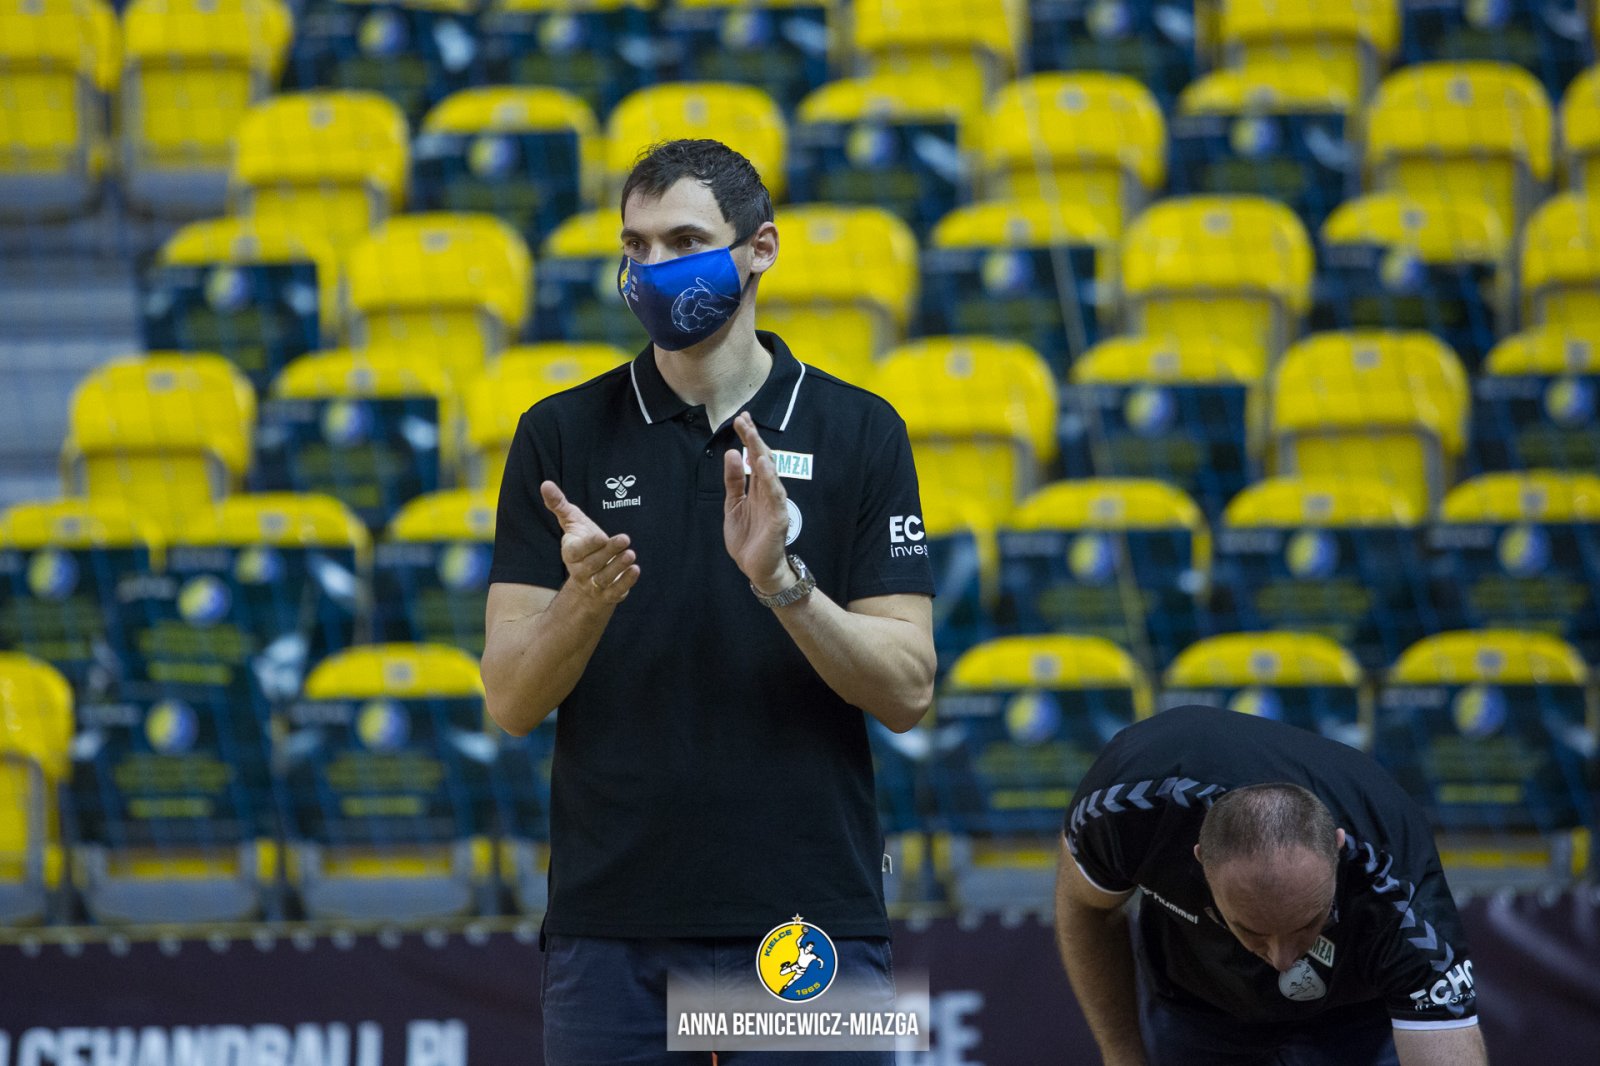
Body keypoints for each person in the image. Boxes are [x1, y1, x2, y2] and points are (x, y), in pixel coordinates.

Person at [481, 138, 936, 1065]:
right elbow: (510, 700)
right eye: (635, 245)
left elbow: (909, 690)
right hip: (611, 928)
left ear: (759, 248)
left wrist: (783, 585)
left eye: (683, 241)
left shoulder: (861, 430)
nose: (652, 269)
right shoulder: (558, 435)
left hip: (808, 923)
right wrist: (587, 600)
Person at [1055, 705, 1488, 1066]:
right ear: (1201, 860)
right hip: (1198, 1008)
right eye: (1251, 929)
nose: (1283, 960)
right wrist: (1122, 1056)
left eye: (1308, 923)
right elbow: (1086, 908)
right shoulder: (1128, 807)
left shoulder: (1399, 893)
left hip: (1354, 1020)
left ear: (1338, 851)